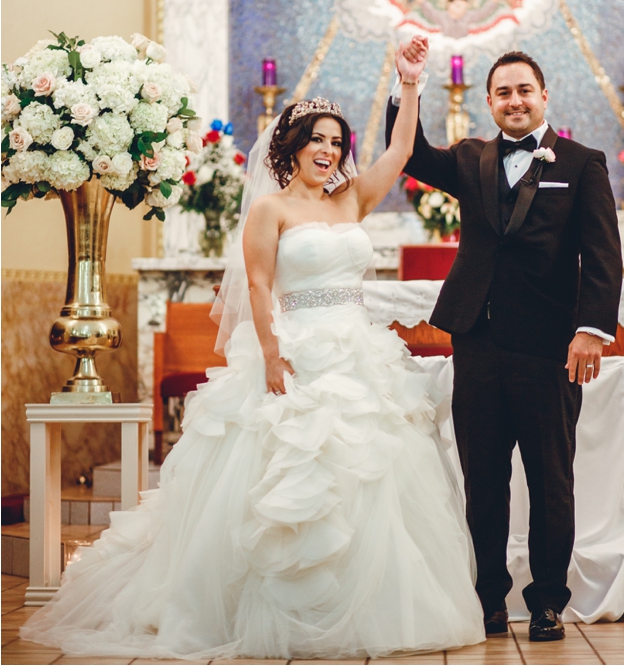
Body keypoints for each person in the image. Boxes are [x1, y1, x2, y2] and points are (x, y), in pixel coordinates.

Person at [22, 44, 485, 661]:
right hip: (294, 350)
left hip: (359, 354)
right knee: (284, 479)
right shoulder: (268, 209)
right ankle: (265, 609)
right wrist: (270, 353)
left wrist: (409, 81)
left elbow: (401, 152)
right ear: (292, 146)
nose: (328, 151)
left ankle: (370, 607)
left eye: (336, 142)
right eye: (317, 140)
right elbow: (261, 284)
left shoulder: (353, 199)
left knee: (371, 477)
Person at [386, 40, 623, 643]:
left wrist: (591, 331)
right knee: (483, 478)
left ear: (543, 96)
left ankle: (547, 601)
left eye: (524, 90)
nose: (514, 100)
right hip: (479, 343)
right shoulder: (470, 158)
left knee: (550, 479)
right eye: (503, 92)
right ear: (489, 103)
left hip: (550, 347)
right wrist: (407, 85)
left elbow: (602, 256)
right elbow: (408, 153)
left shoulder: (581, 162)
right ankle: (488, 599)